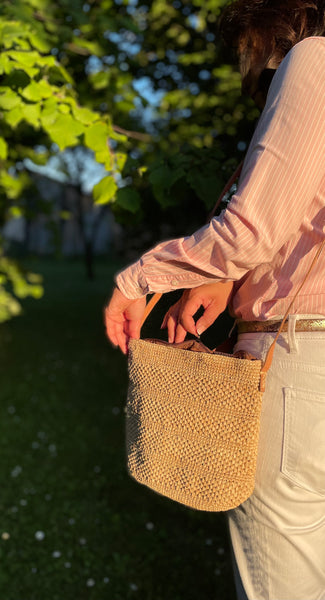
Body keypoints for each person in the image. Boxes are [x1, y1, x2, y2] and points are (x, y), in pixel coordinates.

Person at [105, 1, 325, 598]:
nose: (257, 73)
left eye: (258, 55)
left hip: (302, 366)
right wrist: (230, 277)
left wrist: (141, 278)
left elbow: (252, 230)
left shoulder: (316, 60)